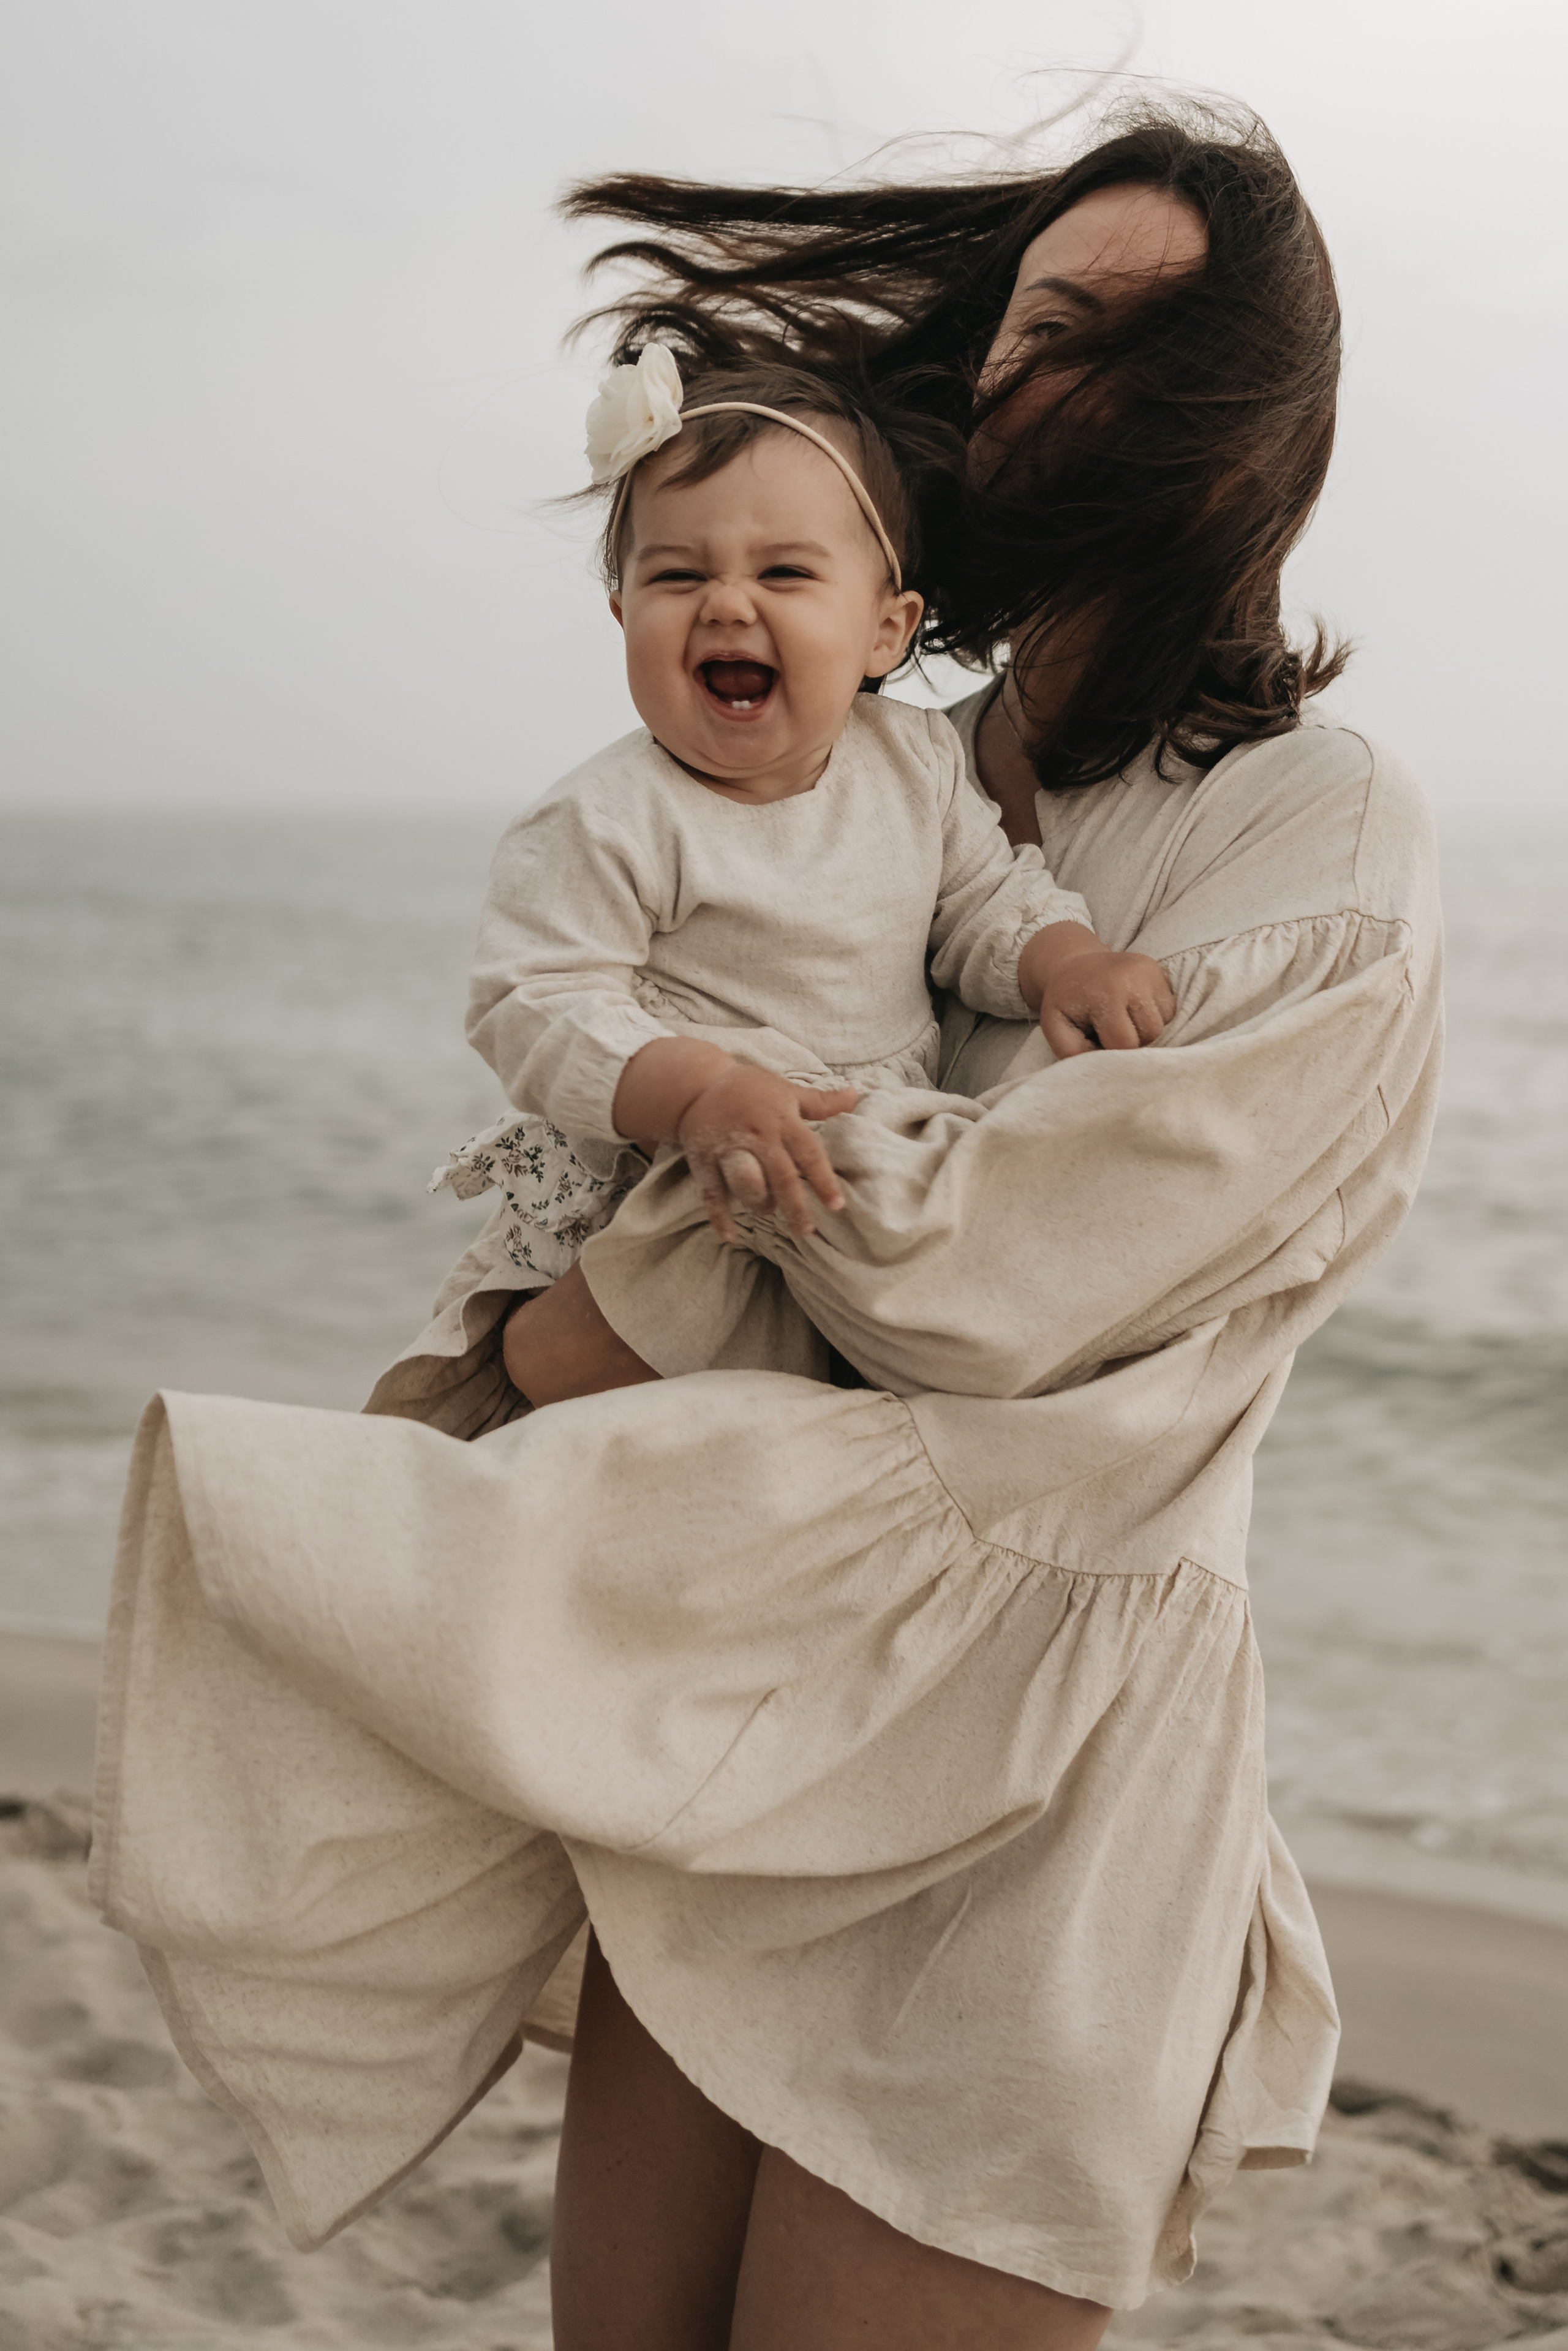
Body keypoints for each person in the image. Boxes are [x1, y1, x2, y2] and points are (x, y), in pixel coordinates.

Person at [90, 102, 1442, 2350]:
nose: (1029, 378)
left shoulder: (1322, 821)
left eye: (1111, 335)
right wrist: (571, 1294)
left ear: (1252, 411)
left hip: (1037, 1783)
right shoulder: (877, 757)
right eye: (1027, 326)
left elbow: (1002, 1280)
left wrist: (632, 1279)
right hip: (757, 1719)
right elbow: (605, 1039)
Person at [434, 350, 1172, 1409]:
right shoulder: (606, 817)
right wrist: (691, 1090)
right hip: (696, 1169)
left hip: (857, 1171)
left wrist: (1069, 963)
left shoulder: (912, 766)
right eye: (678, 575)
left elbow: (983, 900)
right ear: (621, 615)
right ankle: (560, 1386)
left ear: (887, 628)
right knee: (587, 1348)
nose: (728, 604)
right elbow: (532, 1002)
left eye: (783, 573)